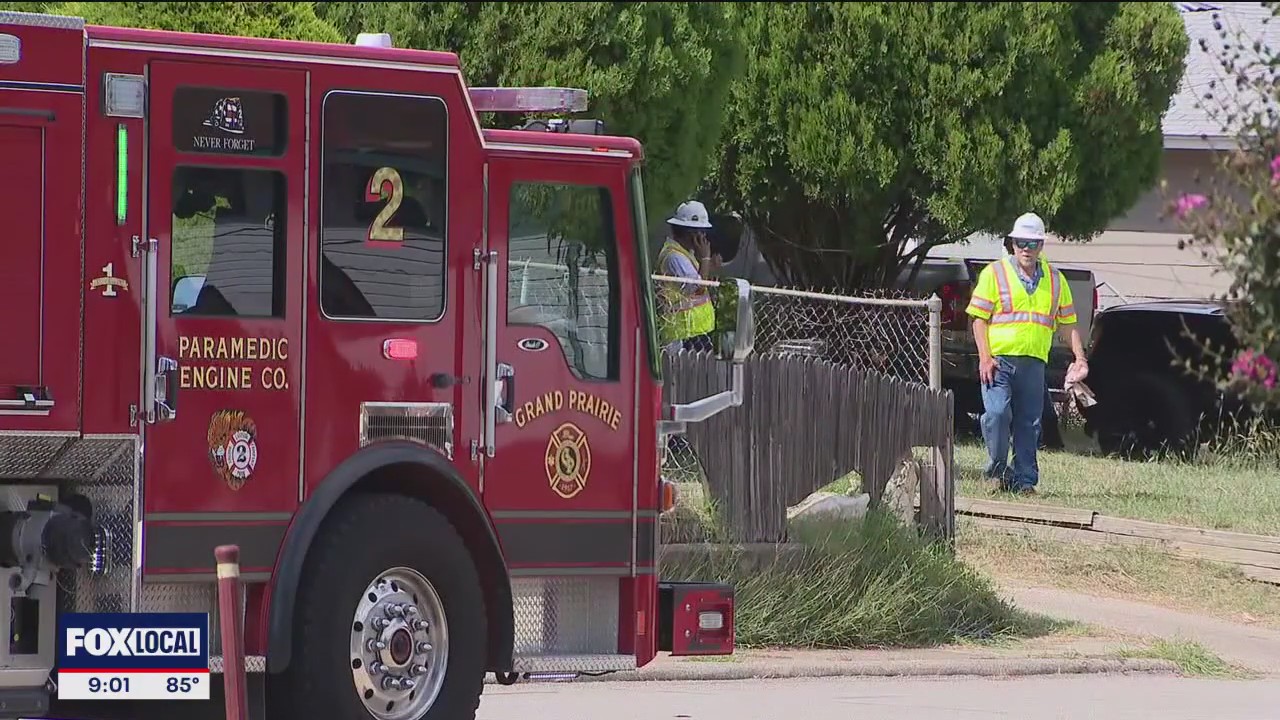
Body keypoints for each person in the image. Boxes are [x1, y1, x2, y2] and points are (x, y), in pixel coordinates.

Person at [965, 212, 1087, 494]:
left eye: (1032, 243)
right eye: (1021, 242)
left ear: (1041, 245)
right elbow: (978, 318)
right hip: (999, 362)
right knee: (996, 415)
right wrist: (985, 357)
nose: (1026, 248)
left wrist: (1080, 358)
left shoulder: (1056, 281)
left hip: (1034, 363)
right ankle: (996, 471)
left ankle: (1025, 481)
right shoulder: (994, 273)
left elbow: (1067, 324)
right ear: (1012, 243)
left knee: (1029, 423)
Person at [656, 200, 721, 353]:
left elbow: (699, 279)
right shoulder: (674, 257)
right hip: (683, 334)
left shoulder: (686, 254)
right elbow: (696, 287)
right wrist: (704, 258)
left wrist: (708, 264)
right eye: (701, 232)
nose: (704, 237)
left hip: (696, 333)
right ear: (690, 233)